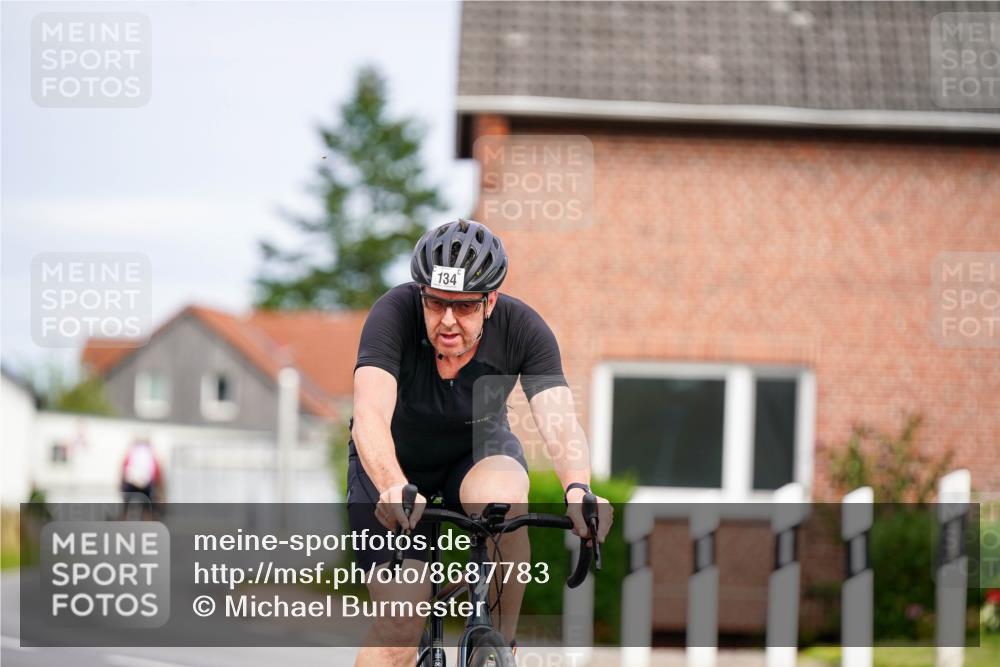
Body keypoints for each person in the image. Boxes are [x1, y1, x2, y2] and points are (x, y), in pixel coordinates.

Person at [348, 218, 613, 666]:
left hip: (475, 453)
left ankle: (498, 644)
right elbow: (369, 413)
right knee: (400, 623)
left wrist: (578, 489)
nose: (447, 321)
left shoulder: (523, 328)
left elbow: (560, 422)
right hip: (392, 465)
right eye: (435, 303)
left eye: (465, 307)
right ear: (421, 296)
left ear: (490, 302)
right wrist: (392, 483)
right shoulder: (392, 314)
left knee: (505, 501)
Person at [121, 438, 161, 518]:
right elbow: (156, 471)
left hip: (135, 482)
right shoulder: (150, 455)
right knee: (147, 508)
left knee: (128, 507)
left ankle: (125, 519)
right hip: (142, 482)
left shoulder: (133, 453)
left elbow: (124, 468)